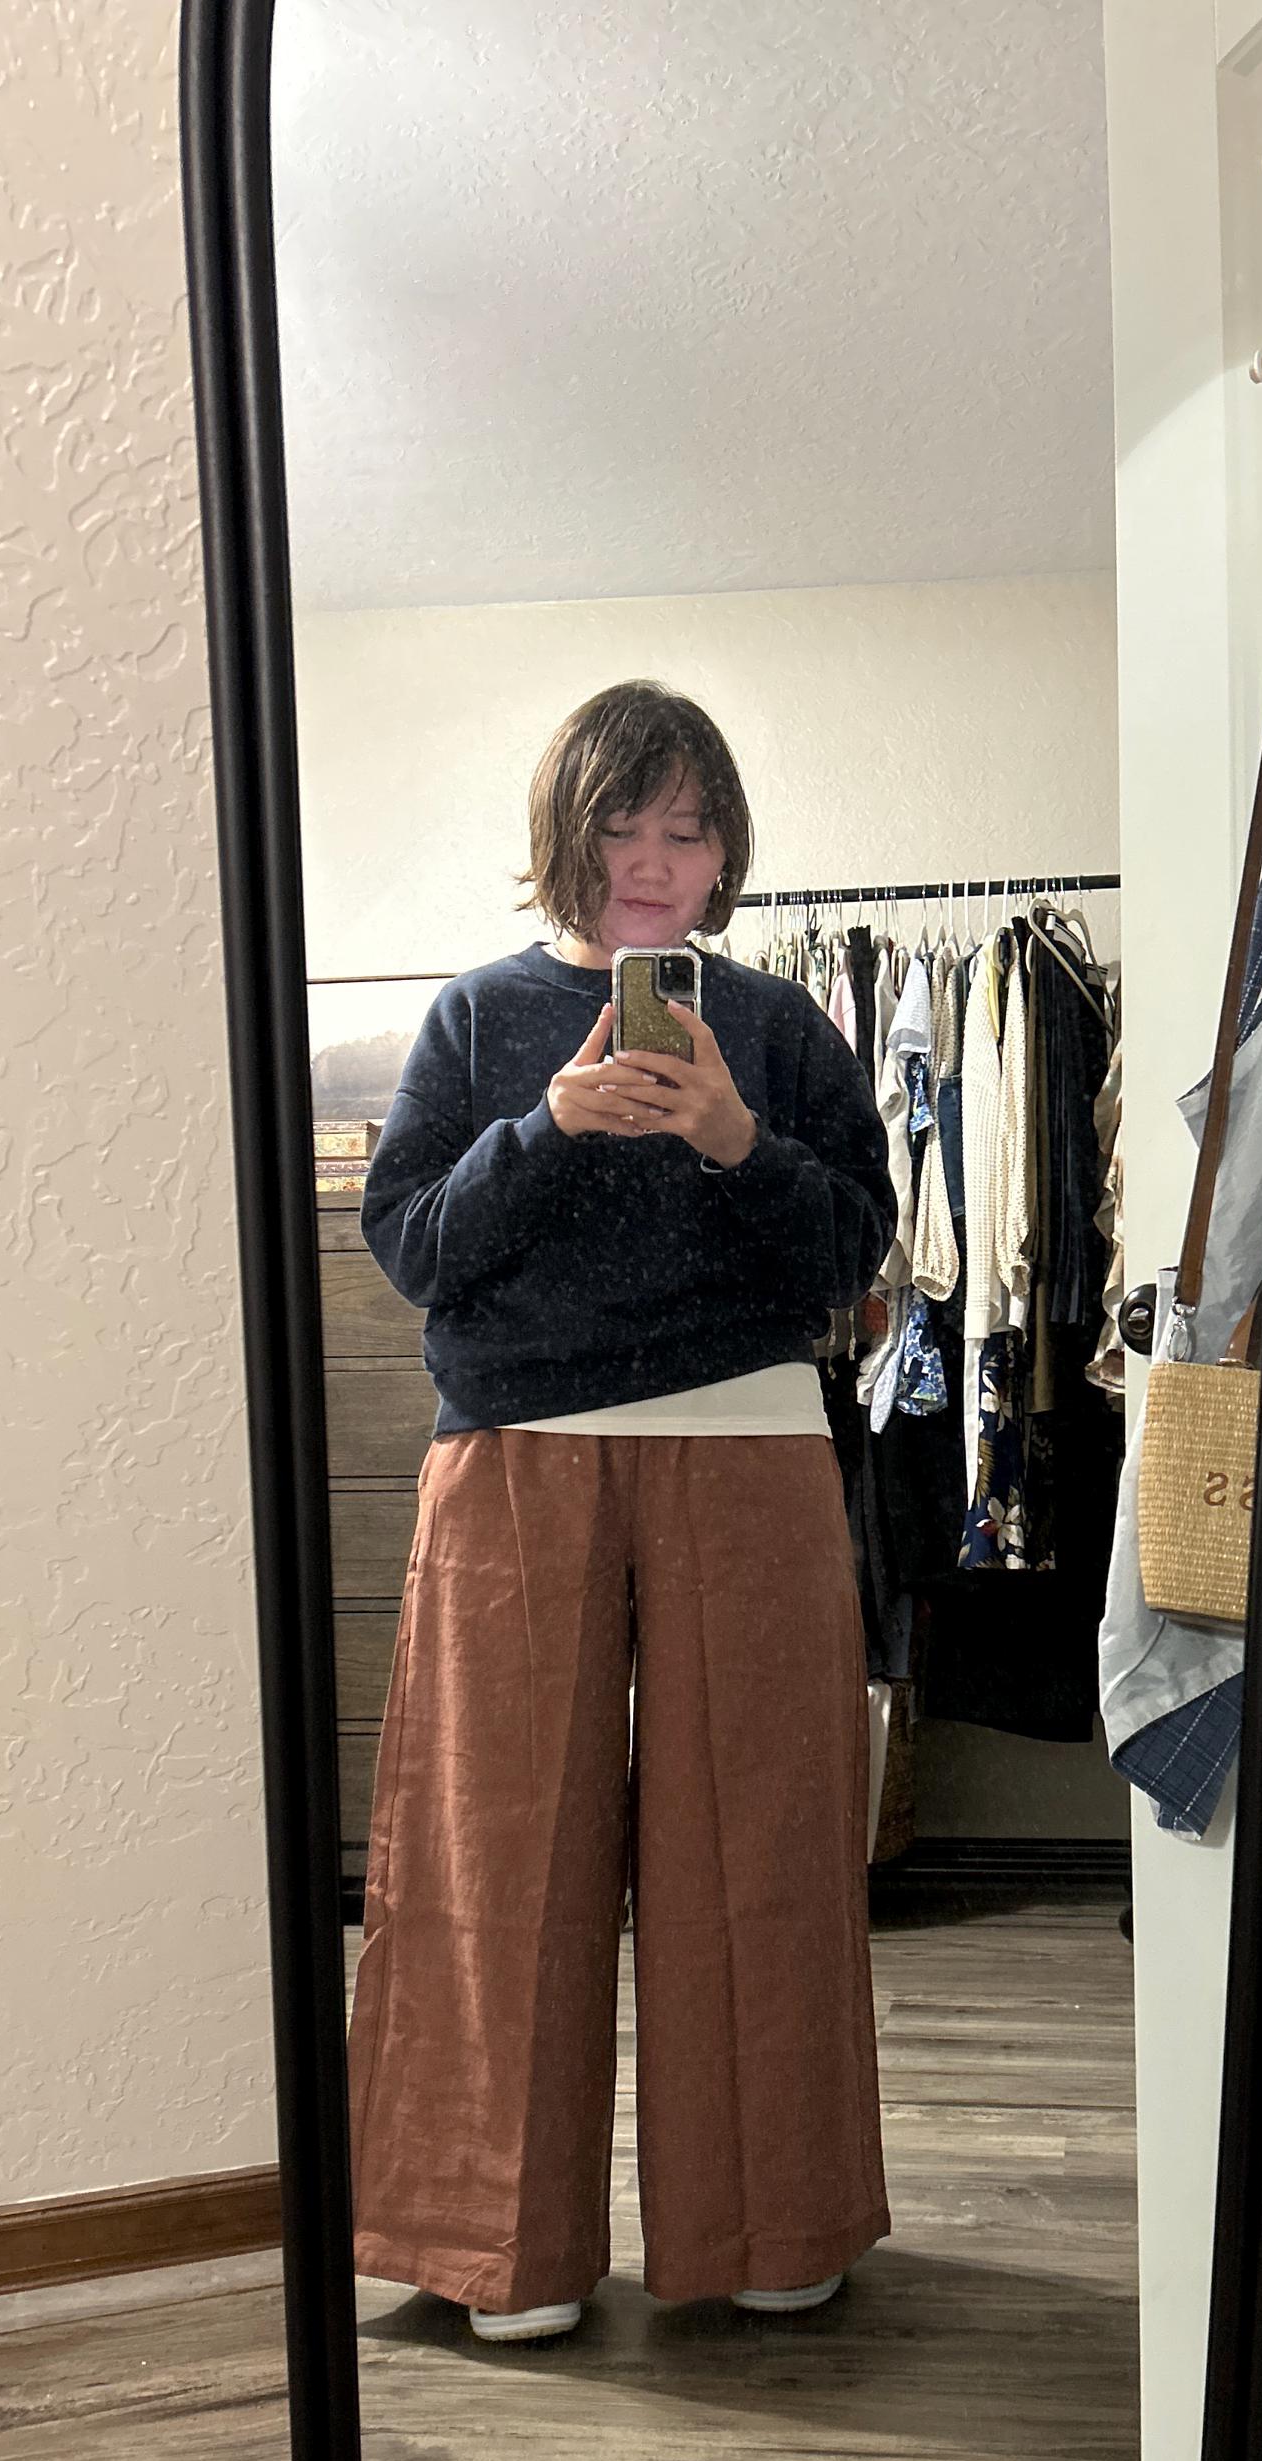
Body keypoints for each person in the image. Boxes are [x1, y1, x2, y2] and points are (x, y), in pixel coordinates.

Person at [344, 681, 896, 2343]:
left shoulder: (779, 1031)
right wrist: (549, 1130)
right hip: (519, 1447)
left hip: (748, 1439)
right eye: (622, 825)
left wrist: (734, 1138)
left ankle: (772, 2216)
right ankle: (490, 2238)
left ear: (725, 854)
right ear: (564, 837)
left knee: (767, 1837)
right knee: (493, 1840)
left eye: (688, 829)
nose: (655, 860)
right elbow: (415, 1251)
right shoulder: (474, 1018)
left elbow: (851, 1253)